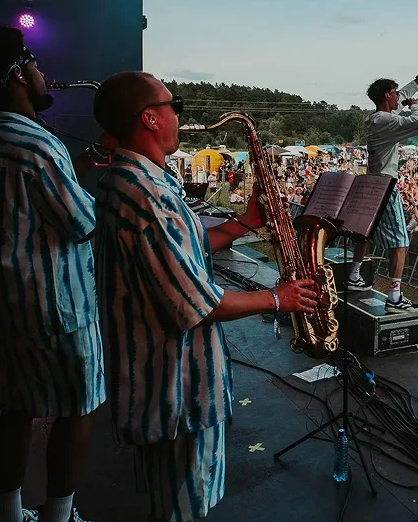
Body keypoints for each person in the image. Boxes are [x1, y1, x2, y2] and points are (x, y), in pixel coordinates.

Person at [91, 72, 318, 522]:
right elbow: (196, 303)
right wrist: (278, 298)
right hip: (177, 392)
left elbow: (184, 249)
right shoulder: (149, 196)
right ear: (150, 118)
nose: (180, 115)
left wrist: (245, 221)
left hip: (157, 386)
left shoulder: (132, 182)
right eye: (173, 105)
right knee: (183, 510)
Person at [0, 27, 105, 522]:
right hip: (57, 303)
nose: (41, 72)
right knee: (76, 409)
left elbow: (23, 195)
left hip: (2, 297)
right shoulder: (38, 143)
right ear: (16, 74)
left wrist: (80, 162)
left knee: (16, 409)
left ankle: (9, 514)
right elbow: (81, 222)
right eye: (33, 62)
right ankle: (59, 515)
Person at [347, 59, 418, 312]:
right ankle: (395, 297)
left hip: (371, 183)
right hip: (386, 185)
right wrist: (415, 105)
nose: (399, 96)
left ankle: (354, 275)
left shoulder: (379, 118)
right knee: (400, 241)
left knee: (365, 232)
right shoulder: (386, 122)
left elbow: (402, 96)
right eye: (395, 93)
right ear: (387, 95)